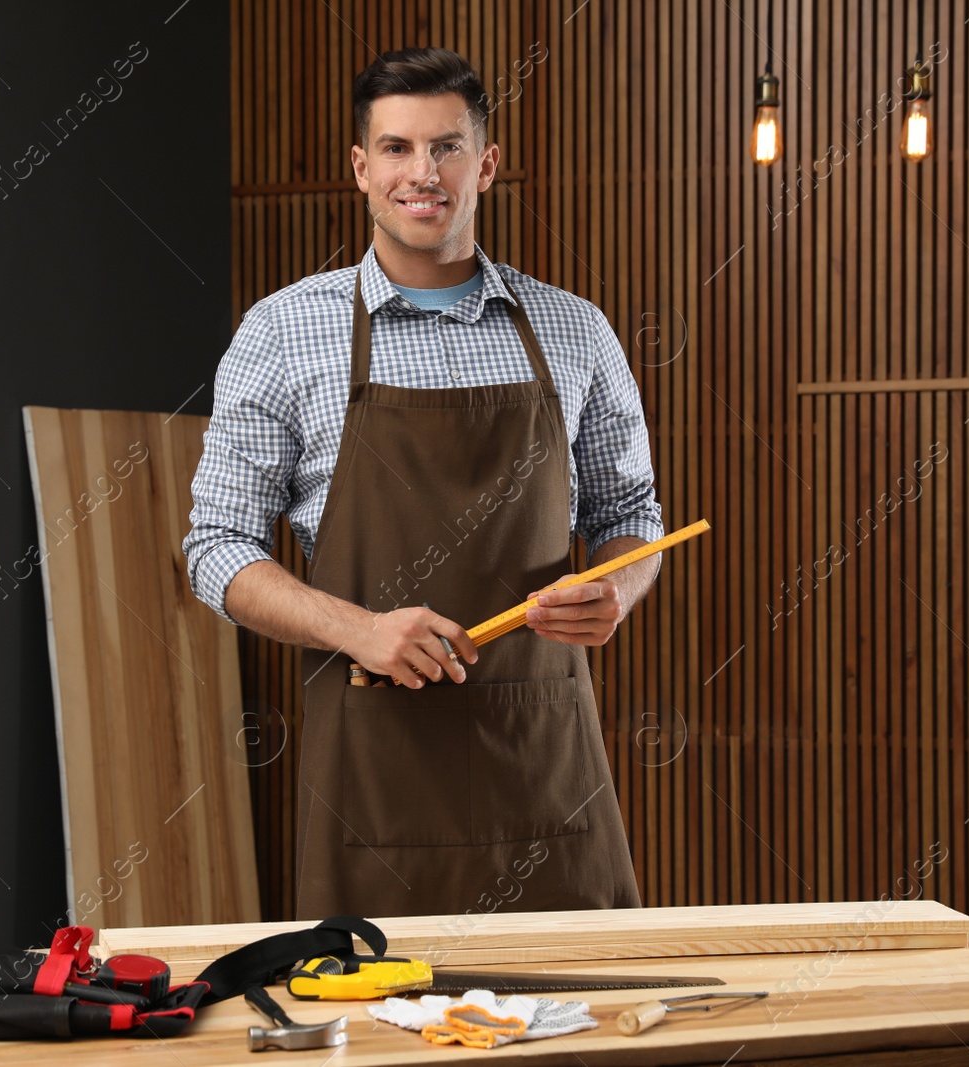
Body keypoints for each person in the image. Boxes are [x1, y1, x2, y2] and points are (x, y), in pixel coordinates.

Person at [184, 47, 663, 918]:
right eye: (398, 149)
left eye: (446, 148)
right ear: (362, 169)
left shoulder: (575, 329)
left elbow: (631, 513)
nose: (423, 174)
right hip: (375, 773)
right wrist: (361, 629)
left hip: (544, 775)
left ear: (486, 163)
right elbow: (217, 549)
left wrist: (616, 587)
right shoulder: (285, 332)